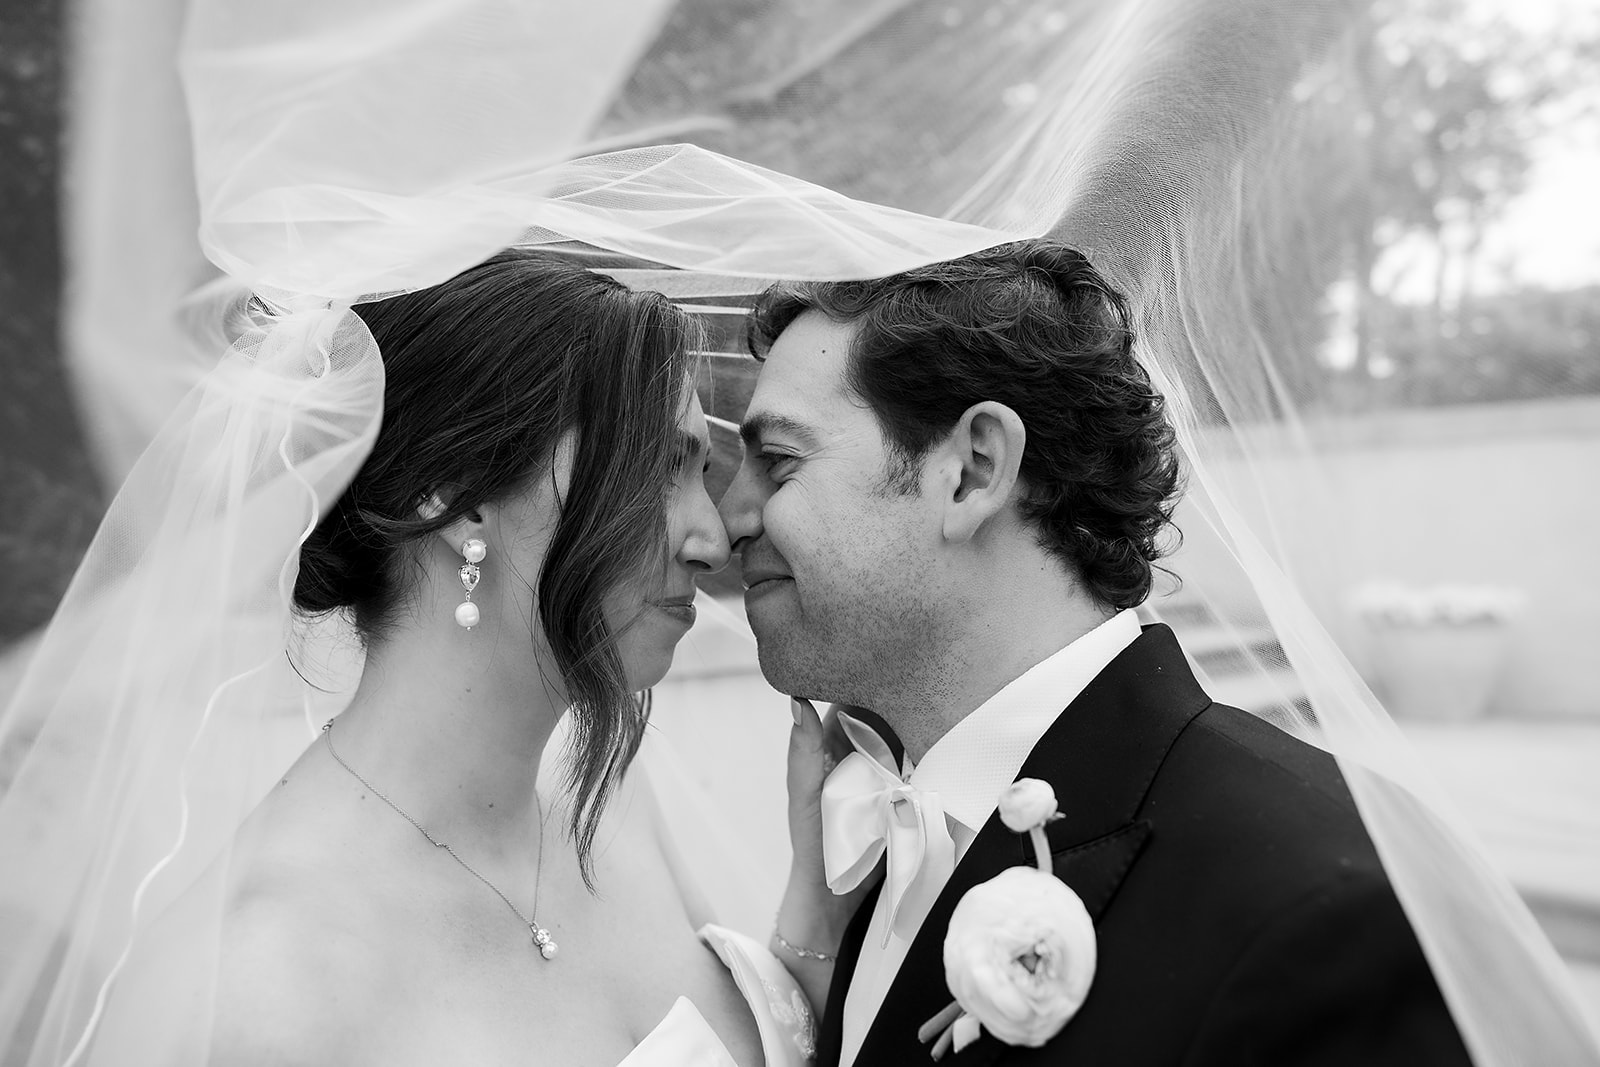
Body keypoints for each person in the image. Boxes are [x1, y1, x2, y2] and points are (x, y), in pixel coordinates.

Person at [721, 238, 1476, 1066]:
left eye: (780, 461)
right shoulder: (882, 848)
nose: (731, 515)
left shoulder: (1319, 906)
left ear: (973, 471)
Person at [81, 248, 817, 1067]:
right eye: (653, 471)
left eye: (699, 472)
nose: (711, 537)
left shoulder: (604, 800)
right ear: (457, 498)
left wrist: (817, 907)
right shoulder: (258, 982)